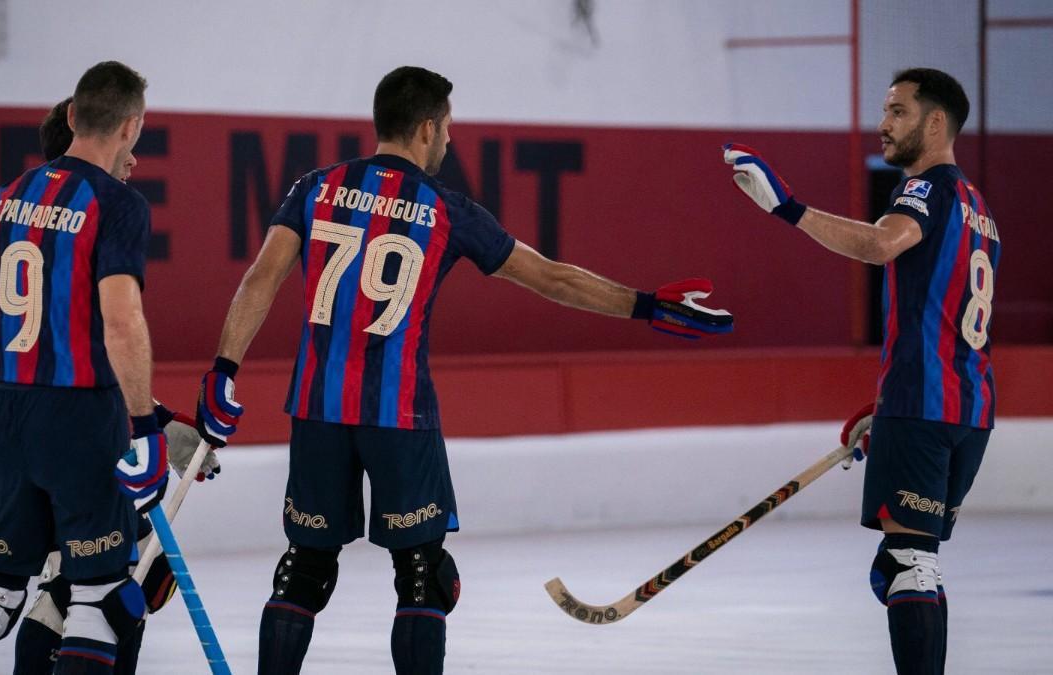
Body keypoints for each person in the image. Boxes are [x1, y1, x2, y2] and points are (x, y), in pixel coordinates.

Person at [195, 65, 734, 675]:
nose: (450, 141)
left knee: (305, 567)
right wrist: (647, 305)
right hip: (400, 414)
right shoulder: (447, 210)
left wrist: (223, 366)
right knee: (423, 576)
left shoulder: (314, 188)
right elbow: (552, 278)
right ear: (427, 128)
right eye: (448, 128)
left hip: (316, 409)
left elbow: (259, 279)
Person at [724, 68, 997, 675]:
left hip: (923, 406)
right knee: (914, 559)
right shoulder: (980, 209)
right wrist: (888, 405)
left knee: (907, 562)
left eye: (897, 111)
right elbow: (948, 317)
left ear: (934, 122)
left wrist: (788, 209)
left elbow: (881, 244)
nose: (883, 124)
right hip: (967, 412)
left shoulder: (926, 188)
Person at [0, 61, 169, 675]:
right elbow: (122, 323)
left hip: (5, 413)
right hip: (82, 415)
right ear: (132, 127)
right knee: (95, 600)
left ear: (70, 116)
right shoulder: (117, 204)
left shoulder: (8, 198)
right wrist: (143, 426)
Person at [0, 95, 213, 675]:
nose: (133, 162)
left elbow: (7, 362)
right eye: (127, 148)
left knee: (22, 595)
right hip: (76, 445)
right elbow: (95, 354)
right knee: (101, 597)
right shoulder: (95, 228)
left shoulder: (18, 230)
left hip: (23, 437)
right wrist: (159, 429)